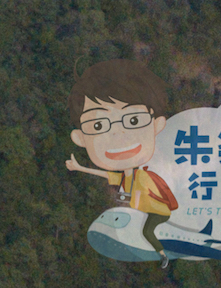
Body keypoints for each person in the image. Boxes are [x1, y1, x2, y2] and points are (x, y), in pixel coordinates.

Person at [66, 58, 176, 263]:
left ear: (156, 124)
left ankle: (162, 254)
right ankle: (155, 251)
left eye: (133, 120)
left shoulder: (142, 176)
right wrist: (80, 167)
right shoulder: (126, 179)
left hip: (158, 212)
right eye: (98, 125)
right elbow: (106, 174)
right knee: (137, 230)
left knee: (145, 232)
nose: (118, 135)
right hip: (148, 213)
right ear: (80, 138)